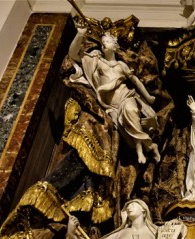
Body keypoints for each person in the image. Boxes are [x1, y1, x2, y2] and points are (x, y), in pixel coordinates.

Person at [68, 25, 161, 164]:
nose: (104, 43)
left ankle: (140, 152)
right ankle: (151, 146)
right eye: (103, 41)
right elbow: (73, 55)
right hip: (111, 105)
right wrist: (80, 35)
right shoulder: (97, 60)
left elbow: (135, 81)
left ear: (115, 46)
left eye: (108, 41)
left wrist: (148, 97)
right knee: (125, 135)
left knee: (131, 111)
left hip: (126, 97)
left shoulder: (121, 65)